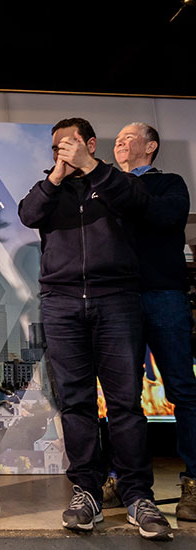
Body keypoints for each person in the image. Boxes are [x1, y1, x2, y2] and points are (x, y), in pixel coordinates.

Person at [18, 118, 173, 541]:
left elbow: (137, 204)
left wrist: (92, 167)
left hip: (116, 299)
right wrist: (57, 175)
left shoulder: (117, 181)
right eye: (56, 146)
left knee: (125, 403)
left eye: (70, 144)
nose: (62, 151)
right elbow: (28, 214)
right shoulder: (50, 187)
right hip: (62, 302)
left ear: (89, 143)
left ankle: (137, 494)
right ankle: (86, 491)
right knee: (75, 402)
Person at [101, 122, 196, 521]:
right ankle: (123, 478)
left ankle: (193, 482)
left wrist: (122, 188)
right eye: (118, 140)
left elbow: (164, 216)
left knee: (182, 389)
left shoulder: (169, 184)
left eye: (129, 138)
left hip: (164, 296)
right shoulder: (105, 187)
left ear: (151, 146)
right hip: (118, 300)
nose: (120, 143)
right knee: (121, 397)